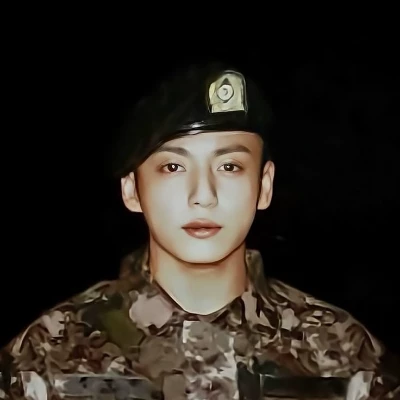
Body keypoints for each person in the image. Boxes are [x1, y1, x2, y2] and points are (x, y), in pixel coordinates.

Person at [1, 63, 399, 400]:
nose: (203, 195)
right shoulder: (50, 352)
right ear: (132, 190)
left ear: (264, 186)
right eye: (173, 167)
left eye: (229, 166)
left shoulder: (344, 352)